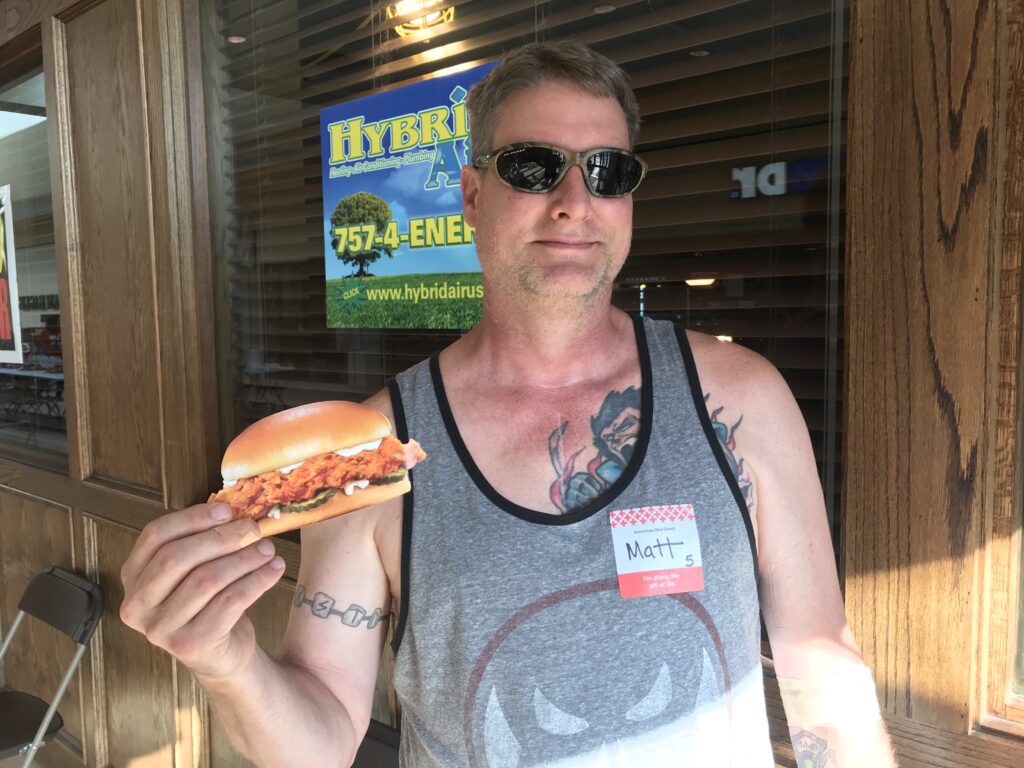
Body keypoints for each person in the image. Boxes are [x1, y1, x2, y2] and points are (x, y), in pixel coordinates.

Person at [120, 42, 897, 767]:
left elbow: (821, 667)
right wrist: (227, 663)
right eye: (533, 166)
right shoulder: (372, 453)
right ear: (471, 195)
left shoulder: (742, 398)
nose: (574, 201)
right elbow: (319, 738)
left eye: (607, 171)